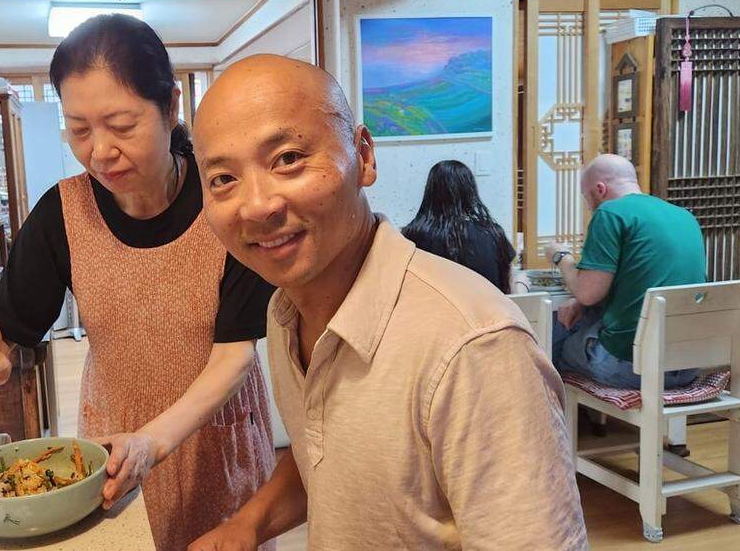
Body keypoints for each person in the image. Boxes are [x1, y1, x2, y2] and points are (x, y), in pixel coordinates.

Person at [188, 54, 588, 551]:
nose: (257, 205)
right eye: (223, 178)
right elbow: (328, 456)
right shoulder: (285, 312)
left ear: (364, 156)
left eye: (288, 158)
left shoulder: (473, 348)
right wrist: (247, 525)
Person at [0, 15, 276, 551]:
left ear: (169, 107)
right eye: (79, 130)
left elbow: (234, 356)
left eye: (121, 126)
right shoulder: (64, 211)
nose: (99, 151)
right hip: (111, 454)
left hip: (216, 444)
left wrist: (153, 441)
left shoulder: (225, 202)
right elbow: (5, 318)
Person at [545, 154, 705, 389]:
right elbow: (641, 280)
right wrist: (581, 302)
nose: (589, 207)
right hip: (686, 363)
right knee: (580, 316)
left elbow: (588, 293)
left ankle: (556, 423)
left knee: (552, 340)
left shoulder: (609, 213)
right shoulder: (684, 216)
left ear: (600, 189)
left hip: (632, 366)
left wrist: (561, 257)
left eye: (587, 198)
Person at [402, 159, 517, 293]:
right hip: (489, 312)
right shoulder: (493, 233)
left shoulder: (412, 236)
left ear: (430, 191)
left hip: (433, 313)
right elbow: (508, 284)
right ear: (470, 192)